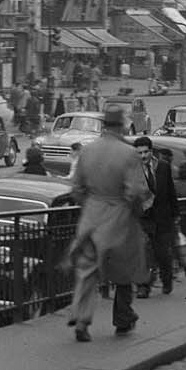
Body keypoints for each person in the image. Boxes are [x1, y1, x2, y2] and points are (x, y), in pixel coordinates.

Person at [65, 104, 151, 342]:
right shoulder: (129, 153)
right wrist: (134, 210)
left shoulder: (87, 151)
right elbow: (135, 191)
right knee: (124, 271)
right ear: (121, 126)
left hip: (92, 216)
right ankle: (123, 319)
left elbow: (76, 189)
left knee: (87, 269)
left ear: (104, 126)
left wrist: (91, 205)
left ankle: (81, 319)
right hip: (119, 217)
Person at [133, 136, 179, 297]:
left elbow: (171, 191)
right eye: (139, 153)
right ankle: (143, 286)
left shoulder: (163, 167)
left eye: (145, 152)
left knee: (163, 254)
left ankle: (166, 280)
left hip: (163, 218)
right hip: (143, 219)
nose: (143, 156)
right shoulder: (132, 171)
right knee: (143, 254)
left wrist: (175, 213)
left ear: (151, 152)